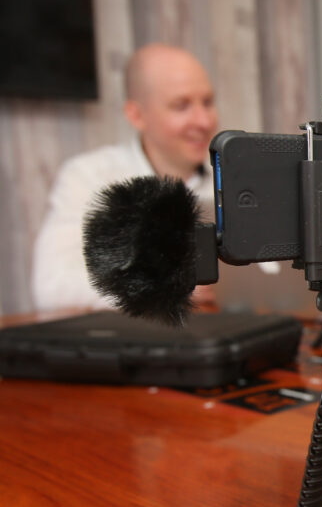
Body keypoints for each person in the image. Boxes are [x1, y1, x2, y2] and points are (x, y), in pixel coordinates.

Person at [32, 43, 219, 311]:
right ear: (136, 115)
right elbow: (52, 286)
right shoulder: (88, 176)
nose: (203, 121)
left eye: (208, 102)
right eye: (181, 106)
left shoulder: (233, 185)